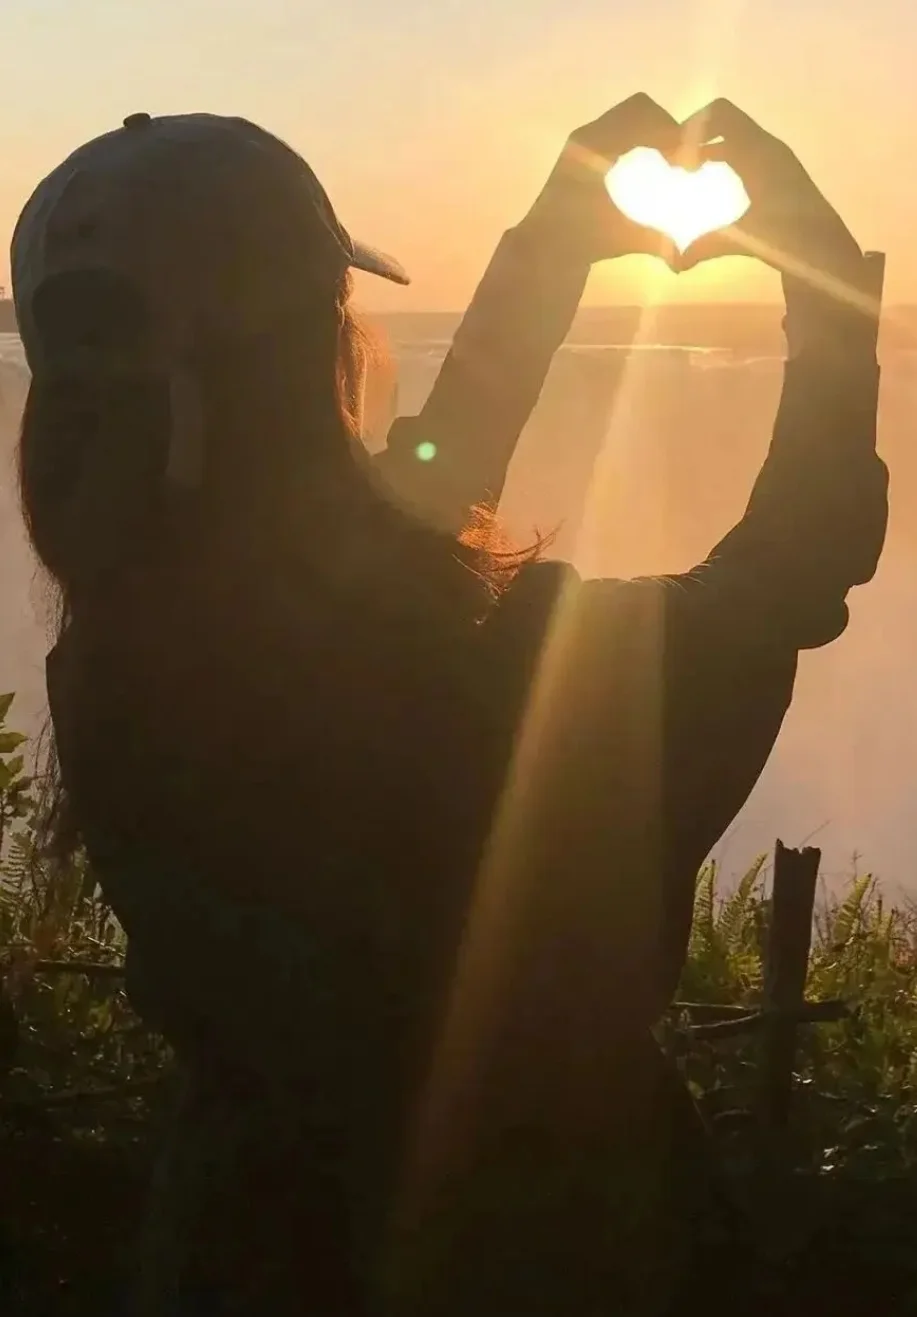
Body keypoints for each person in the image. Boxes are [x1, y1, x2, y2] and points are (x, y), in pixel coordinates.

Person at [12, 96, 886, 1315]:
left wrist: (546, 254)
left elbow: (391, 519)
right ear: (315, 352)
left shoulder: (121, 646)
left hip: (239, 1241)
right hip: (550, 1247)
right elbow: (786, 572)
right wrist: (830, 295)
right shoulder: (504, 682)